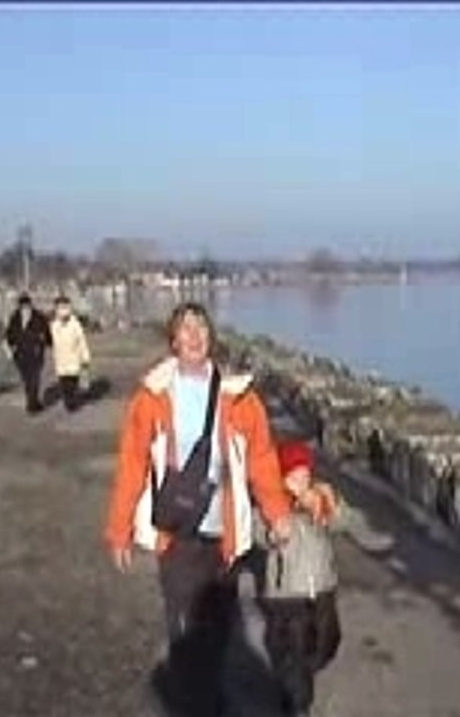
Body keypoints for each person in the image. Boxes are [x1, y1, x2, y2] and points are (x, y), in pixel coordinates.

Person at [103, 301, 293, 717]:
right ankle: (195, 705)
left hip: (225, 536)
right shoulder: (152, 397)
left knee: (221, 630)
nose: (194, 335)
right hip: (178, 535)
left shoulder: (238, 397)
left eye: (201, 327)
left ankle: (207, 700)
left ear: (211, 337)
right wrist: (119, 530)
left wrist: (277, 513)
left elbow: (262, 459)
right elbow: (132, 463)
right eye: (185, 328)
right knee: (185, 633)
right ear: (173, 340)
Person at [258, 439, 343, 717]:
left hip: (322, 590)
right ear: (282, 477)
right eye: (295, 476)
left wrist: (329, 505)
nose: (302, 480)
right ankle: (297, 703)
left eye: (305, 474)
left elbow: (347, 524)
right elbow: (258, 534)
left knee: (327, 643)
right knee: (294, 657)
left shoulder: (319, 500)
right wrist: (274, 533)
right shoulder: (272, 504)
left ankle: (292, 682)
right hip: (287, 596)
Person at [4, 293, 52, 415]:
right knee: (27, 380)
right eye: (23, 307)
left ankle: (31, 405)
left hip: (35, 353)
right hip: (20, 355)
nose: (26, 309)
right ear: (20, 307)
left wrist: (47, 342)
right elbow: (10, 334)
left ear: (30, 305)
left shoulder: (39, 317)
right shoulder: (15, 318)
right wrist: (9, 347)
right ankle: (34, 402)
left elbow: (47, 333)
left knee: (34, 379)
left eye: (27, 306)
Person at [50, 295, 91, 413]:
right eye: (60, 307)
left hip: (74, 359)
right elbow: (50, 340)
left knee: (72, 382)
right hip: (61, 360)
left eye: (65, 307)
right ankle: (69, 402)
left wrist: (85, 357)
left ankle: (72, 401)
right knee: (64, 384)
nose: (62, 310)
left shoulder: (75, 324)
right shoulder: (54, 325)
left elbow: (81, 341)